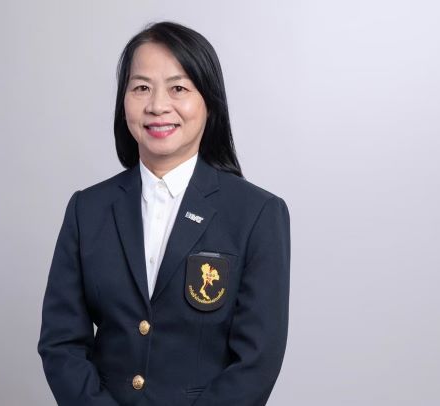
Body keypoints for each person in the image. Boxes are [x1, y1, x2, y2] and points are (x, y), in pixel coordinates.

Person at [37, 21, 291, 406]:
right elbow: (61, 344)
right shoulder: (87, 210)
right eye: (141, 88)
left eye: (178, 88)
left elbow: (257, 362)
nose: (157, 106)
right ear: (123, 102)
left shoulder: (257, 214)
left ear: (209, 101)